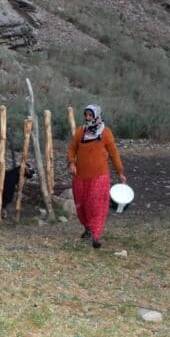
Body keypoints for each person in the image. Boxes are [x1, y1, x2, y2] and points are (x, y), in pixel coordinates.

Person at [67, 104, 126, 249]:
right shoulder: (81, 132)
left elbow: (114, 154)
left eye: (90, 115)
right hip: (80, 176)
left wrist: (120, 172)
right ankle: (88, 228)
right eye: (86, 115)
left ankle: (96, 235)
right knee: (82, 204)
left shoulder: (105, 133)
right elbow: (72, 149)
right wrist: (71, 163)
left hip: (99, 176)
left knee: (96, 204)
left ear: (97, 116)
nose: (88, 118)